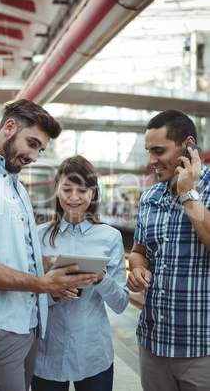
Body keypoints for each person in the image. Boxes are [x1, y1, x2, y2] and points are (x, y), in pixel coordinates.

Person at [0, 100, 98, 391]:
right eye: (32, 143)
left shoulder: (14, 185)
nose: (35, 156)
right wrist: (41, 283)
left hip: (24, 327)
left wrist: (46, 263)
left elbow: (13, 250)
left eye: (40, 149)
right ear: (9, 127)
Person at [127, 109, 210, 390]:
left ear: (188, 146)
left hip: (203, 348)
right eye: (149, 151)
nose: (151, 161)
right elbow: (138, 251)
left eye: (159, 150)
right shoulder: (151, 196)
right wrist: (137, 268)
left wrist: (188, 194)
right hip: (153, 343)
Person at [31, 155, 129, 391]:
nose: (74, 197)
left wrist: (101, 277)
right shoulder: (38, 236)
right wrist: (52, 291)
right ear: (56, 190)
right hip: (47, 354)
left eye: (82, 190)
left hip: (93, 354)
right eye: (67, 189)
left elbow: (121, 303)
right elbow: (27, 295)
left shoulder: (110, 237)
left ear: (93, 193)